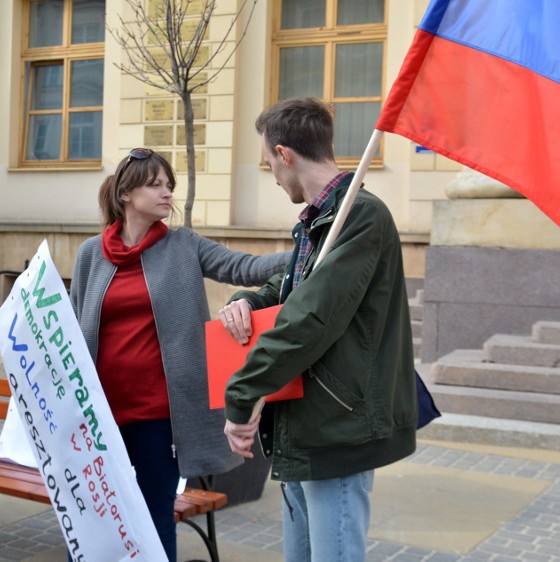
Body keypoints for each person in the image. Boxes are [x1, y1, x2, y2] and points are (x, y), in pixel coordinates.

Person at [221, 98, 417, 562]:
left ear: (286, 154)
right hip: (307, 425)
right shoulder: (319, 220)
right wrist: (250, 299)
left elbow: (310, 317)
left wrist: (243, 394)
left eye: (269, 161)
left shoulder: (360, 215)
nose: (271, 173)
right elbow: (294, 285)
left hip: (338, 428)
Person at [70, 148, 289, 561]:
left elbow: (243, 267)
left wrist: (305, 253)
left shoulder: (183, 245)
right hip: (100, 420)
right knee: (92, 522)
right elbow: (73, 328)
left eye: (169, 184)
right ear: (125, 194)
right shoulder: (89, 254)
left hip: (158, 419)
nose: (167, 192)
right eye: (155, 184)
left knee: (155, 523)